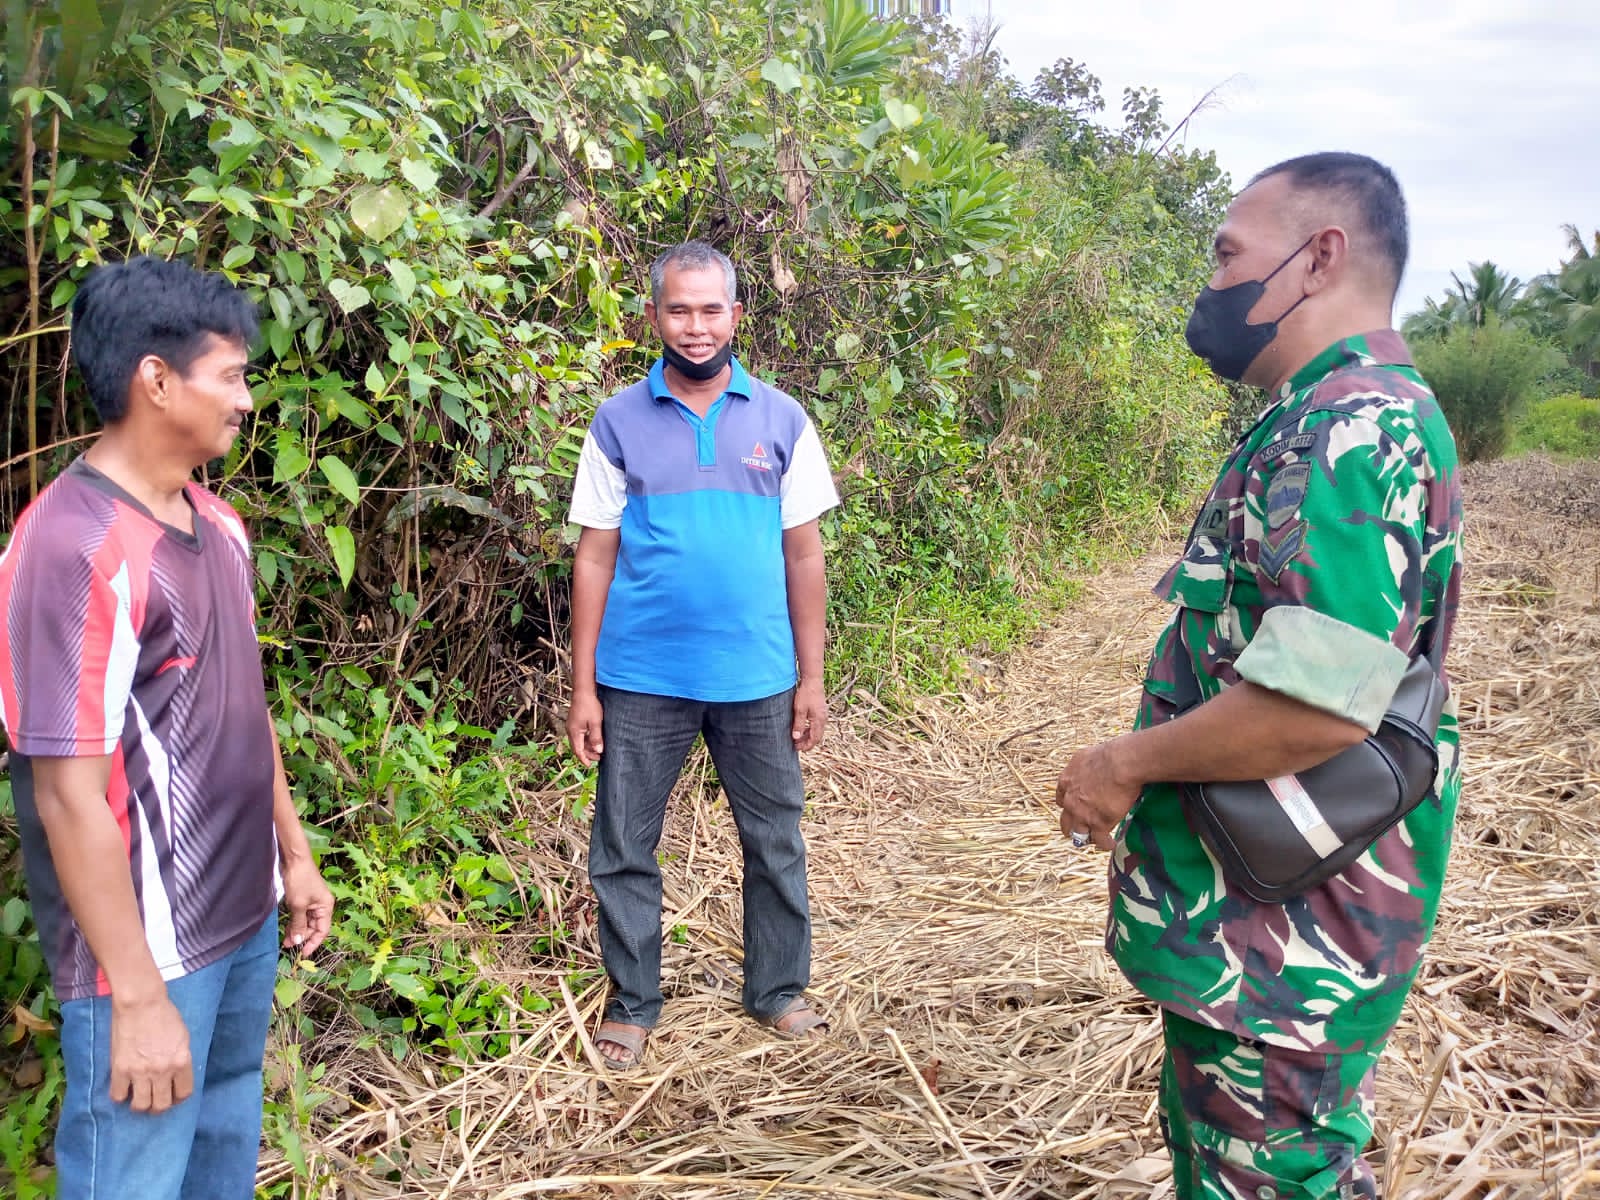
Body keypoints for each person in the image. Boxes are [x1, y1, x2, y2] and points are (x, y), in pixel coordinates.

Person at [1053, 153, 1463, 1198]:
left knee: (1270, 1171)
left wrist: (1121, 763)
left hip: (1287, 938)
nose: (1213, 283)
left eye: (1228, 254)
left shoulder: (1350, 426)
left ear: (1318, 257)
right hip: (1266, 915)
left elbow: (1316, 702)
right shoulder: (1333, 411)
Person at [0, 256, 334, 1198]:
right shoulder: (72, 548)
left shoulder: (216, 523)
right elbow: (67, 798)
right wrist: (139, 998)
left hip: (242, 917)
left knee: (221, 1158)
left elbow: (243, 706)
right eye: (230, 375)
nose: (246, 400)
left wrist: (293, 855)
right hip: (147, 952)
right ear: (156, 379)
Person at [565, 240, 840, 1070]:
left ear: (736, 316)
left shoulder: (783, 420)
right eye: (679, 310)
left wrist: (812, 678)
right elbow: (594, 557)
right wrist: (583, 687)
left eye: (711, 309)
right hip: (641, 676)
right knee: (623, 845)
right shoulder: (616, 422)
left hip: (757, 676)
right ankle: (633, 1003)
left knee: (775, 839)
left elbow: (804, 556)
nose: (695, 326)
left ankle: (777, 991)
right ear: (653, 316)